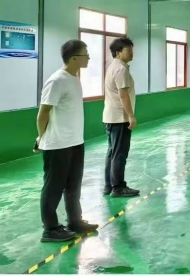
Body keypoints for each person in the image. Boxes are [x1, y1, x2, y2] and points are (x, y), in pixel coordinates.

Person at [36, 39, 99, 242]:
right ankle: (50, 229)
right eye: (85, 54)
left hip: (75, 142)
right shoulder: (56, 80)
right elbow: (43, 113)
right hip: (57, 144)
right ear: (74, 58)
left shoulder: (74, 78)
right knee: (53, 187)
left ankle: (75, 221)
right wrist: (41, 137)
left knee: (74, 185)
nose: (88, 58)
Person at [102, 37, 139, 197]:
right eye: (128, 50)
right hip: (119, 118)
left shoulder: (113, 67)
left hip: (111, 117)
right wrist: (130, 115)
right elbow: (123, 95)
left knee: (112, 152)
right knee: (119, 154)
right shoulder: (121, 69)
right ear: (118, 52)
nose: (131, 53)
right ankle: (118, 187)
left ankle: (108, 185)